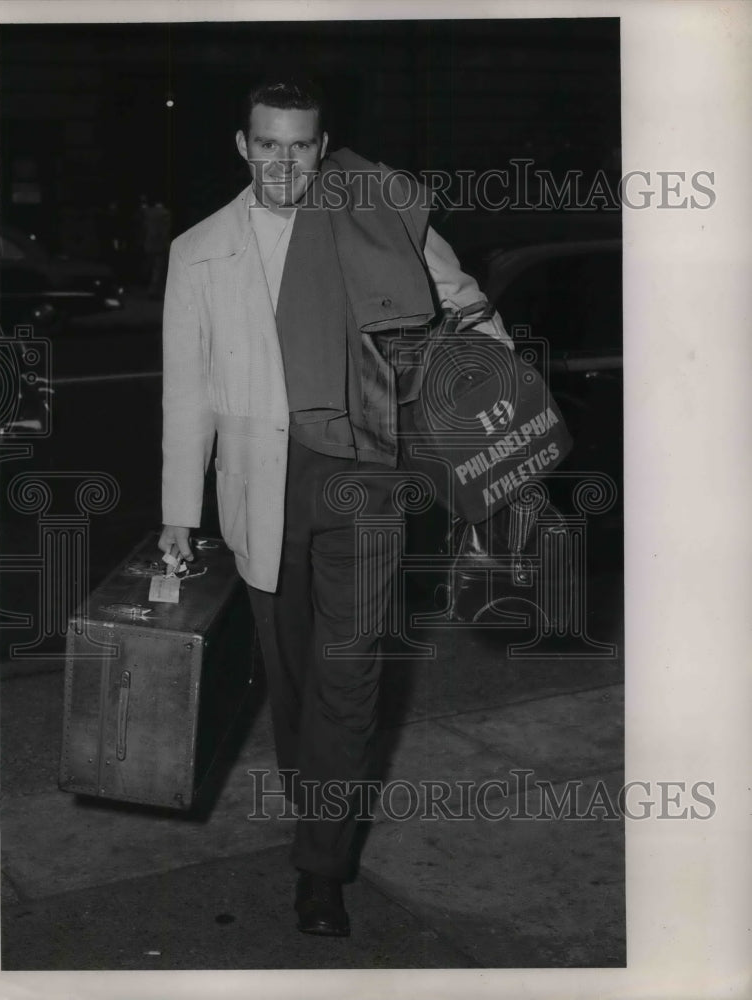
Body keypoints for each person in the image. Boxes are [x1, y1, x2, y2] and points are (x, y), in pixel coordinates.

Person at [158, 78, 512, 937]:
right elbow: (186, 393)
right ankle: (316, 800)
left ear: (323, 148)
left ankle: (322, 868)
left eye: (301, 145)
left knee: (349, 678)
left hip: (367, 481)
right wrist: (178, 514)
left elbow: (463, 305)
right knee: (291, 679)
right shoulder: (198, 249)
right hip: (260, 484)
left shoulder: (375, 214)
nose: (285, 162)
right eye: (268, 144)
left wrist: (506, 396)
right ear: (244, 147)